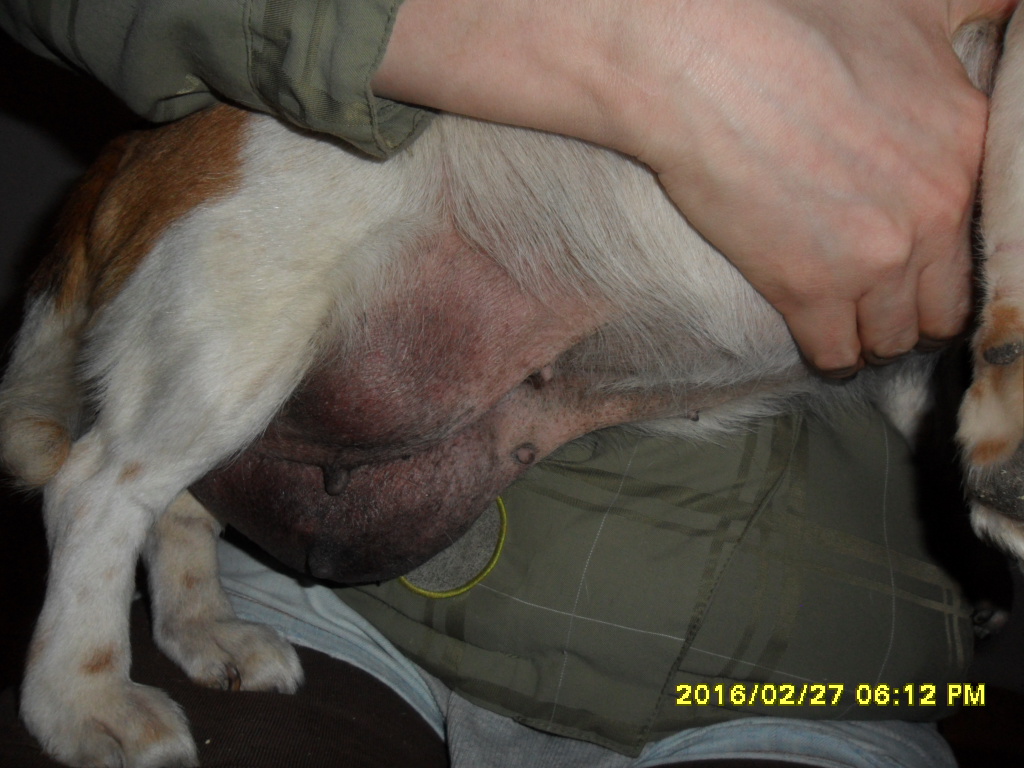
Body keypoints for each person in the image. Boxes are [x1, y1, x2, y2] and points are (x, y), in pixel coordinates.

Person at [0, 1, 1011, 766]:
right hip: (337, 606)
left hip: (823, 675)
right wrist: (642, 52)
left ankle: (182, 593)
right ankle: (81, 648)